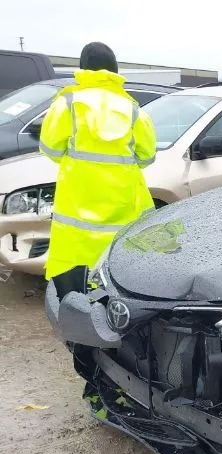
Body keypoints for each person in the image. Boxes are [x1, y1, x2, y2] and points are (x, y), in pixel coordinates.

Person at [39, 42, 156, 298]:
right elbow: (147, 157)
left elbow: (50, 149)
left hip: (75, 214)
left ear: (83, 68)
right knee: (117, 285)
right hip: (123, 211)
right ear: (115, 70)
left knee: (74, 294)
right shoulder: (133, 109)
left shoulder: (68, 103)